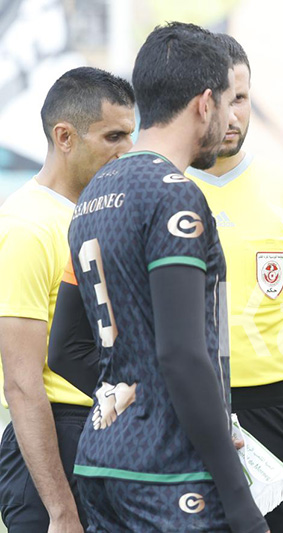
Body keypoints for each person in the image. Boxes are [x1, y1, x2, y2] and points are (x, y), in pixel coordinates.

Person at [47, 22, 268, 533]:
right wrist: (237, 493)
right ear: (205, 103)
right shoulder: (174, 193)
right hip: (170, 477)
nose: (232, 117)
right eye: (229, 102)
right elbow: (182, 353)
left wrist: (139, 403)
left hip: (102, 461)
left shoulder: (93, 193)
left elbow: (65, 349)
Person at [185, 34, 283, 532]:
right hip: (180, 406)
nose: (232, 115)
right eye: (219, 100)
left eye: (242, 97)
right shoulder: (160, 186)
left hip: (272, 407)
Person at [0, 67, 135, 532]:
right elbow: (21, 383)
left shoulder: (106, 210)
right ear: (65, 137)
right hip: (56, 440)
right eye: (114, 135)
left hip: (110, 432)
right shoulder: (26, 227)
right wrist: (60, 509)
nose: (127, 149)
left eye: (130, 134)